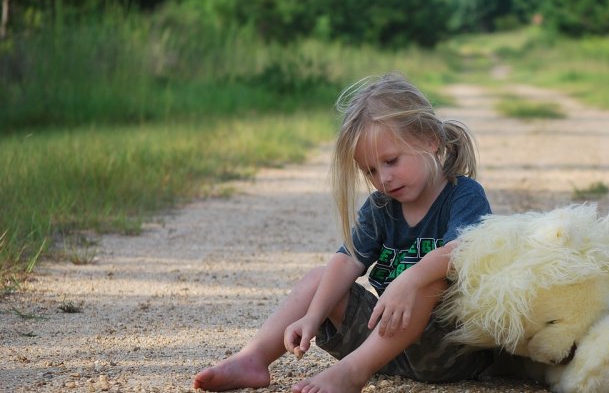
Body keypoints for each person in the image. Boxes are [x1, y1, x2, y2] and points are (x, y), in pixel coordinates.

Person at [193, 73, 495, 393]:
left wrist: (411, 278)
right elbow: (348, 260)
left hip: (450, 351)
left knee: (429, 281)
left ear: (430, 139)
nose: (384, 179)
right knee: (318, 279)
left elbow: (463, 251)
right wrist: (314, 315)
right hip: (384, 346)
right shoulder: (382, 206)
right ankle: (253, 359)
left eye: (391, 161)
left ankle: (351, 373)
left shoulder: (463, 194)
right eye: (371, 170)